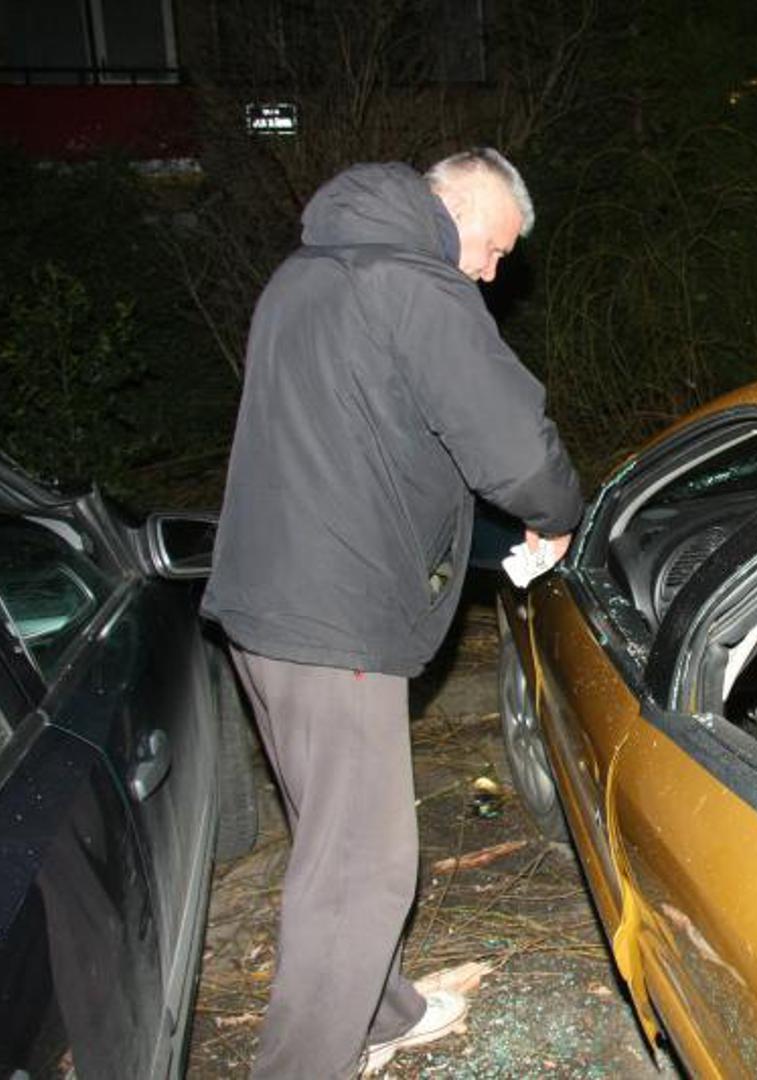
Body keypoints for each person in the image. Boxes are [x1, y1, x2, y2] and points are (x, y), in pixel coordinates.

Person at [201, 150, 583, 1078]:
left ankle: (380, 1014)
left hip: (265, 603)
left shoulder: (304, 277)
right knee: (363, 870)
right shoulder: (416, 284)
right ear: (461, 206)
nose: (490, 273)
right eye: (495, 249)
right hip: (337, 616)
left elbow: (362, 438)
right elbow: (508, 444)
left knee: (332, 837)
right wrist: (556, 513)